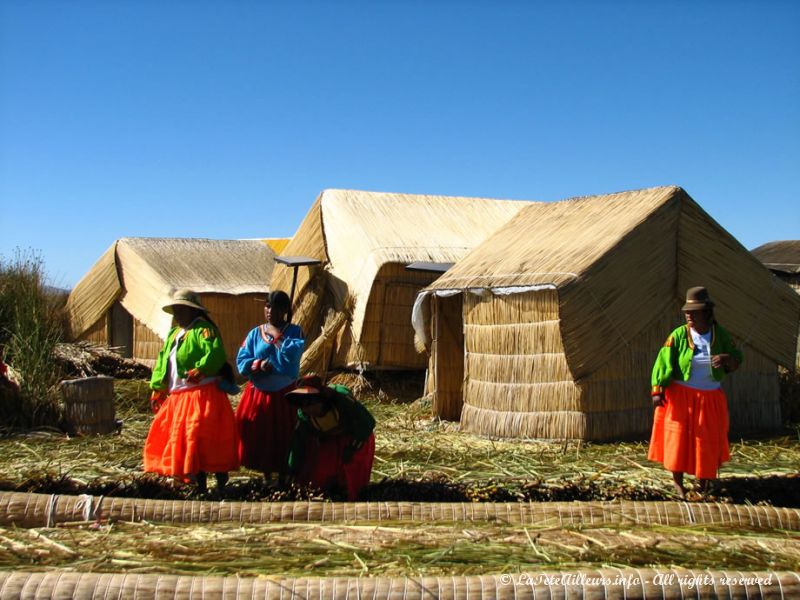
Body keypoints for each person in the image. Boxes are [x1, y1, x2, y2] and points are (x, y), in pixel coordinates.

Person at [648, 286, 743, 499]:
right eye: (687, 312)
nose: (689, 315)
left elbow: (737, 358)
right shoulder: (679, 336)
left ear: (706, 313)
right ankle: (678, 484)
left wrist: (727, 359)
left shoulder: (721, 336)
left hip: (709, 397)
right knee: (678, 439)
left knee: (706, 440)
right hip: (681, 396)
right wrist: (658, 389)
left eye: (694, 311)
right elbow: (663, 361)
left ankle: (704, 481)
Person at [143, 289, 240, 495]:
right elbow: (163, 362)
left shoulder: (204, 330)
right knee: (185, 441)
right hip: (178, 398)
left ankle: (221, 483)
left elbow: (216, 353)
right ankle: (198, 485)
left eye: (181, 310)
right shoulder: (173, 334)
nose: (177, 314)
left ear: (193, 311)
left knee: (201, 438)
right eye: (175, 310)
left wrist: (202, 368)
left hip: (202, 394)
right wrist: (157, 388)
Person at [235, 290, 305, 483]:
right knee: (260, 434)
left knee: (283, 434)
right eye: (267, 306)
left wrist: (277, 339)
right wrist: (258, 365)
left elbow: (291, 358)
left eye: (274, 307)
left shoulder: (294, 332)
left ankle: (284, 476)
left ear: (284, 310)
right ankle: (266, 476)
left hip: (284, 394)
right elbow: (242, 359)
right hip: (258, 394)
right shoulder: (254, 333)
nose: (269, 310)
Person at [285, 375, 375, 500]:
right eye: (302, 405)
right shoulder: (304, 416)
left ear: (321, 400)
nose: (306, 409)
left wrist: (352, 448)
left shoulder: (342, 400)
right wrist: (291, 471)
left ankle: (354, 500)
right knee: (322, 472)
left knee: (354, 473)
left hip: (357, 435)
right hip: (329, 438)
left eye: (310, 403)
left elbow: (368, 422)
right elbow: (297, 445)